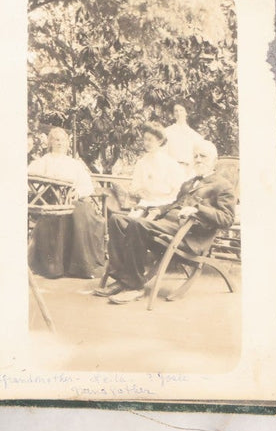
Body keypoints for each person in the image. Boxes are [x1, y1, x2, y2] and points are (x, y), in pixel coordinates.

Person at [96, 139, 237, 304]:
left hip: (188, 234)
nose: (198, 159)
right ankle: (122, 279)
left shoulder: (223, 186)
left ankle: (134, 286)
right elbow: (175, 204)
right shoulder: (189, 183)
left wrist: (198, 209)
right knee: (116, 220)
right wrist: (158, 210)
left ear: (214, 161)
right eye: (195, 156)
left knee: (136, 224)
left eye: (203, 156)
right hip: (167, 224)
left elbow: (227, 219)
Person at [26, 127, 104, 278]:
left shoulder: (74, 164)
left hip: (73, 200)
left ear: (67, 143)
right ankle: (55, 266)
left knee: (80, 214)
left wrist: (77, 193)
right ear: (50, 142)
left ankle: (79, 267)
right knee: (56, 215)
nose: (59, 142)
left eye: (62, 139)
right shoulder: (42, 162)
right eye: (56, 139)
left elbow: (87, 185)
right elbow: (31, 183)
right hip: (50, 202)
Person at [125, 123, 190, 214]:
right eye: (145, 139)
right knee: (131, 221)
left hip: (165, 205)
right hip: (145, 203)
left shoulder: (170, 163)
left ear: (159, 141)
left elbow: (178, 189)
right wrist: (140, 193)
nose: (146, 143)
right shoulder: (141, 163)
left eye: (150, 140)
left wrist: (164, 203)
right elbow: (136, 186)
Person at [163, 103, 207, 170]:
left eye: (181, 110)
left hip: (190, 170)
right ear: (173, 114)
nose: (179, 113)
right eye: (176, 111)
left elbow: (200, 155)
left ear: (186, 113)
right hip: (172, 170)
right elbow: (163, 153)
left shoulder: (195, 135)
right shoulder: (167, 132)